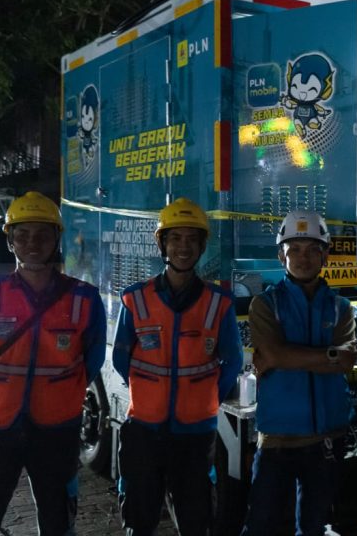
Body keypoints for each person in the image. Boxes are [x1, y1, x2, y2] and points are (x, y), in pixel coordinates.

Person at [0, 191, 106, 535]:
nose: (32, 243)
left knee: (58, 520)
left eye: (42, 234)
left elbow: (93, 359)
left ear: (56, 238)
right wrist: (3, 392)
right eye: (22, 234)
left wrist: (61, 395)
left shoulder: (84, 298)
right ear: (10, 240)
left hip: (57, 429)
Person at [113, 197, 243, 536]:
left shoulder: (218, 303)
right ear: (163, 244)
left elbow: (233, 361)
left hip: (195, 435)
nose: (183, 247)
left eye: (191, 239)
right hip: (144, 430)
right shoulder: (136, 299)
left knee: (196, 520)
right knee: (139, 519)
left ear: (201, 246)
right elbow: (120, 359)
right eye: (175, 238)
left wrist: (204, 397)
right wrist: (149, 394)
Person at [240, 210, 357, 535]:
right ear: (282, 256)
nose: (303, 258)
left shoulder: (341, 307)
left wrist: (287, 356)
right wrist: (329, 355)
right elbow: (275, 354)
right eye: (295, 249)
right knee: (260, 525)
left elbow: (347, 361)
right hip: (277, 440)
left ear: (325, 255)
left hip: (326, 439)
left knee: (313, 527)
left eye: (312, 249)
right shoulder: (265, 305)